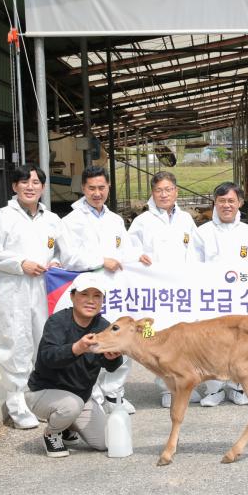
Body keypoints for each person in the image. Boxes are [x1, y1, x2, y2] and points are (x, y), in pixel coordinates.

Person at [0, 164, 98, 429]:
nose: (30, 187)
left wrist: (56, 262)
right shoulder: (0, 218)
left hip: (44, 289)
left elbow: (65, 253)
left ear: (43, 187)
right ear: (14, 187)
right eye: (24, 182)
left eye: (35, 182)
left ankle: (39, 396)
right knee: (16, 343)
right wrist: (20, 263)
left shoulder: (51, 220)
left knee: (43, 342)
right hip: (14, 288)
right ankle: (17, 401)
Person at [63, 165, 140, 414]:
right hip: (90, 293)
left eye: (102, 187)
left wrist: (141, 258)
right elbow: (68, 257)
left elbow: (125, 251)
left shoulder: (115, 220)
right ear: (83, 188)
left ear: (108, 188)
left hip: (117, 290)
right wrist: (100, 260)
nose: (97, 193)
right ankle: (93, 395)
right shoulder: (71, 221)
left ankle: (114, 393)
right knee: (93, 343)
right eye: (92, 188)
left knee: (123, 341)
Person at [25, 273, 123, 457]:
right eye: (84, 294)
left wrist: (112, 358)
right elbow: (47, 358)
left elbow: (111, 367)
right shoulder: (57, 321)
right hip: (42, 392)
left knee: (104, 442)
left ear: (102, 300)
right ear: (72, 296)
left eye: (96, 296)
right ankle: (52, 433)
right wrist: (77, 348)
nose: (90, 300)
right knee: (70, 405)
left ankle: (67, 426)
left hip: (81, 398)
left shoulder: (103, 326)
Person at [127, 171, 201, 409]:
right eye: (159, 190)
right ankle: (167, 389)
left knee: (184, 338)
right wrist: (138, 256)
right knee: (159, 339)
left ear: (176, 191)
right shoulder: (142, 222)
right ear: (153, 193)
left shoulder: (186, 220)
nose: (164, 194)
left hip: (181, 289)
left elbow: (196, 251)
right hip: (155, 291)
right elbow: (130, 251)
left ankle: (186, 384)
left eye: (168, 189)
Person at [193, 182, 248, 407]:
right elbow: (193, 266)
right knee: (212, 344)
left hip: (241, 299)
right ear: (215, 203)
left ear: (240, 203)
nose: (226, 205)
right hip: (211, 298)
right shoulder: (202, 232)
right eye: (221, 201)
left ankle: (238, 387)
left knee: (241, 344)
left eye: (231, 201)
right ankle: (214, 389)